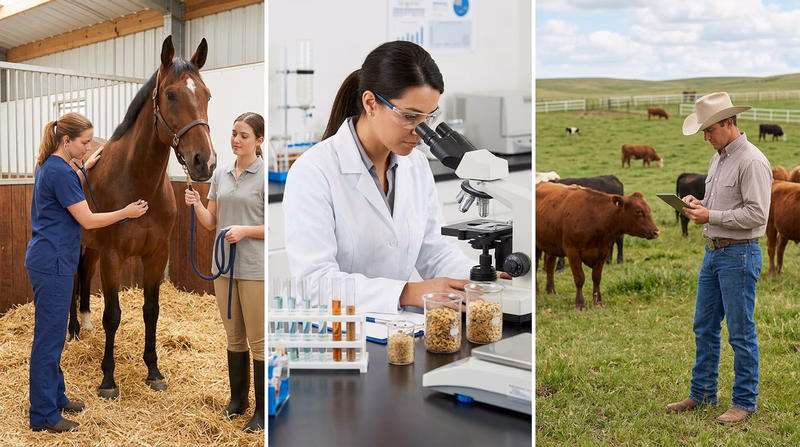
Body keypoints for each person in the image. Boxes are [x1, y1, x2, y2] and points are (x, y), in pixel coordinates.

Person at [283, 41, 490, 314]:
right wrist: (409, 292)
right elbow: (314, 282)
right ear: (370, 102)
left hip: (398, 330)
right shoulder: (313, 171)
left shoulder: (415, 164)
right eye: (409, 116)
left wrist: (478, 282)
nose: (420, 131)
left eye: (428, 117)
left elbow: (434, 250)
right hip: (337, 332)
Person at [25, 112, 149, 433]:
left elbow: (68, 182)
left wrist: (87, 165)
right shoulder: (62, 172)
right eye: (83, 143)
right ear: (66, 141)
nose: (87, 148)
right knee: (48, 341)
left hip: (51, 259)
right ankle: (43, 415)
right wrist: (127, 211)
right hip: (53, 262)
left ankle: (56, 396)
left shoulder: (51, 165)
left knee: (53, 338)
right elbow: (89, 221)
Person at [667, 92, 772, 424]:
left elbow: (757, 214)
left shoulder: (751, 161)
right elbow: (722, 205)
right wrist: (698, 205)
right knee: (704, 326)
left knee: (740, 332)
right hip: (713, 253)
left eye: (709, 129)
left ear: (728, 123)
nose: (706, 137)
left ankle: (744, 401)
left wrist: (711, 214)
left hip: (739, 254)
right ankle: (702, 394)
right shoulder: (720, 157)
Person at [184, 112, 265, 432]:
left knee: (258, 341)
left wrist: (246, 231)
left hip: (253, 267)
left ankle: (261, 411)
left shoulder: (264, 173)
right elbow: (210, 222)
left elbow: (278, 228)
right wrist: (196, 204)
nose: (236, 140)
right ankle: (238, 400)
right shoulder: (221, 175)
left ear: (258, 141)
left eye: (243, 135)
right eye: (233, 133)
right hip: (223, 267)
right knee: (234, 338)